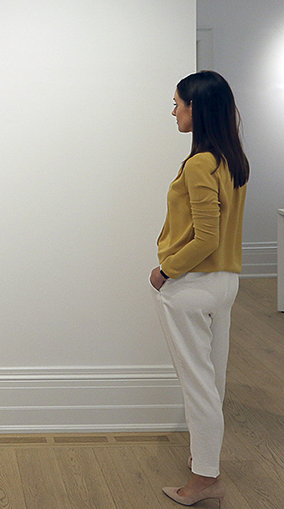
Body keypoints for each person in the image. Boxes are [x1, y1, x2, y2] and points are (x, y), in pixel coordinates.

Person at [150, 70, 249, 508]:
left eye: (177, 103)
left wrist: (166, 270)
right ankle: (206, 467)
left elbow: (205, 237)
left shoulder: (198, 163)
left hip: (192, 286)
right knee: (214, 381)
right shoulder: (232, 160)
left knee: (199, 386)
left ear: (197, 108)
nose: (173, 110)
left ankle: (204, 479)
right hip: (225, 283)